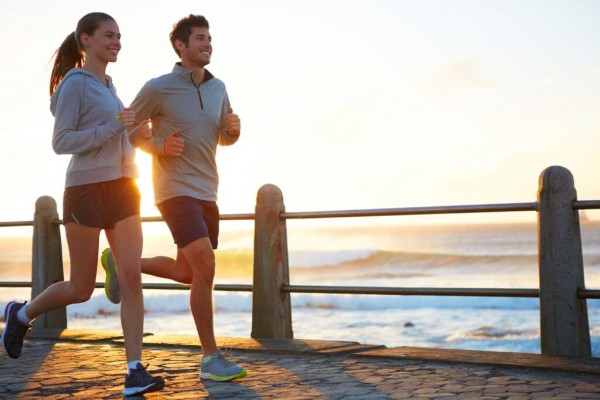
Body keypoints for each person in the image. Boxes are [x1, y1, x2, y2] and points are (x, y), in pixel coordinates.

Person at [0, 12, 165, 397]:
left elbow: (118, 137)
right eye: (109, 35)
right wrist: (114, 128)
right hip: (86, 190)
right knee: (81, 286)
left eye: (120, 36)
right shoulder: (75, 84)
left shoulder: (111, 86)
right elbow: (62, 142)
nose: (117, 42)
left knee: (131, 278)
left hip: (125, 187)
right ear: (85, 40)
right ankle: (20, 315)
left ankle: (134, 371)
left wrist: (140, 136)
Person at [101, 14, 247, 382]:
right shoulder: (159, 87)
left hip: (207, 190)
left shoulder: (219, 88)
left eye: (209, 38)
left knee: (187, 272)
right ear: (181, 46)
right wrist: (159, 146)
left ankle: (121, 263)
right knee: (206, 267)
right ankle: (211, 358)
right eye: (199, 38)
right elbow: (128, 127)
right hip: (173, 190)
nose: (207, 44)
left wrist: (233, 132)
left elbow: (221, 136)